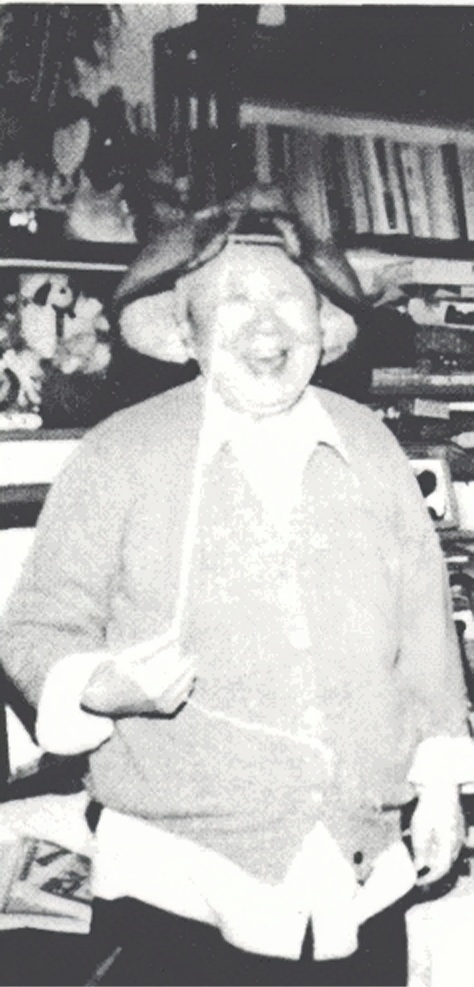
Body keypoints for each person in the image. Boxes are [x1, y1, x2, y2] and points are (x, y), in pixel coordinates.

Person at [1, 185, 473, 987]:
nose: (266, 326)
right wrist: (100, 685)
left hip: (362, 880)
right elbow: (37, 626)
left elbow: (426, 635)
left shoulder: (373, 447)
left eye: (288, 299)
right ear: (186, 332)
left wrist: (438, 789)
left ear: (321, 321)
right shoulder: (118, 454)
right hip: (181, 887)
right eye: (233, 302)